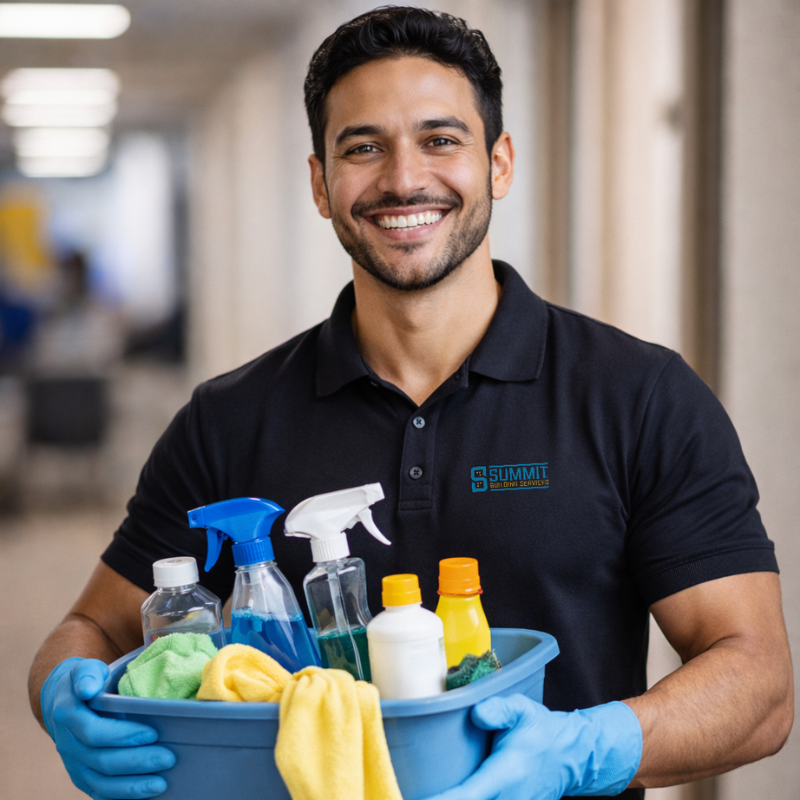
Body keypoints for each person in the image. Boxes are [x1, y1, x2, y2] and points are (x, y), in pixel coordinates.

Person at [29, 8, 792, 800]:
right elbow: (92, 630)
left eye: (441, 140)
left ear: (498, 164)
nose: (403, 179)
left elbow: (760, 683)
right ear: (322, 184)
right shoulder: (228, 421)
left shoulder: (638, 397)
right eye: (363, 147)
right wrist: (63, 697)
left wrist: (587, 748)